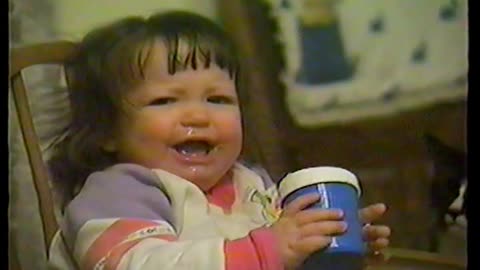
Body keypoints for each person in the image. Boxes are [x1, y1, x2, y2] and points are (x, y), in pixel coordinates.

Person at [47, 10, 391, 270]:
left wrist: (326, 241)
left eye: (218, 100)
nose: (199, 116)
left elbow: (279, 256)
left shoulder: (253, 185)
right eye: (165, 101)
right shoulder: (116, 194)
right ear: (106, 130)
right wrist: (266, 249)